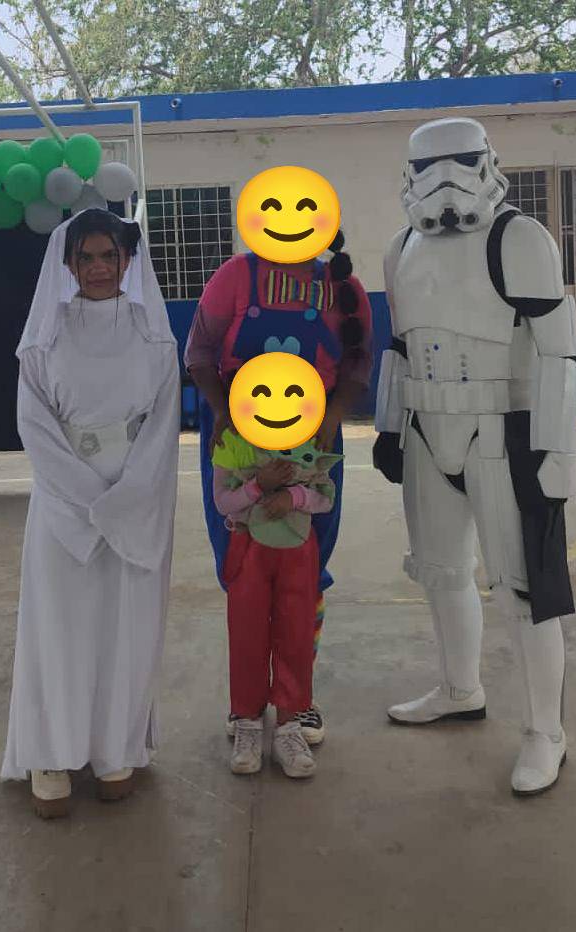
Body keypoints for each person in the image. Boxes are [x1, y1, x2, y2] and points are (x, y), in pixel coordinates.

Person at [373, 117, 576, 796]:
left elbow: (559, 354)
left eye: (461, 160)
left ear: (488, 162)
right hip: (426, 430)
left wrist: (555, 454)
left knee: (524, 590)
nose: (445, 178)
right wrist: (388, 427)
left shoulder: (519, 238)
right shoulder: (400, 248)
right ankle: (460, 689)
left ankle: (545, 732)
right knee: (441, 573)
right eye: (428, 165)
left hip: (501, 432)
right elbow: (399, 348)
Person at [1, 208, 180, 818]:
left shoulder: (155, 340)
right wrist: (84, 499)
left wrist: (127, 501)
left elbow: (161, 430)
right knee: (59, 624)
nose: (99, 267)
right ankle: (51, 754)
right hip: (63, 503)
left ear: (128, 260)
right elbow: (34, 426)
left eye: (110, 255)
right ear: (68, 264)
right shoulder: (44, 340)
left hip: (135, 500)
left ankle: (114, 748)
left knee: (125, 625)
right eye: (86, 257)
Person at [185, 230, 373, 745]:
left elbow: (358, 361)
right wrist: (223, 410)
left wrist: (332, 418)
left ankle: (297, 700)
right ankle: (246, 704)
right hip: (236, 437)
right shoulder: (234, 277)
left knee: (306, 567)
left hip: (312, 438)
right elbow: (198, 353)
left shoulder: (342, 286)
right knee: (241, 564)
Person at [212, 431, 342, 777]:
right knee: (247, 635)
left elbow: (326, 497)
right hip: (247, 550)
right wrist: (258, 486)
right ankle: (247, 721)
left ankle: (289, 724)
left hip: (297, 552)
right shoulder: (232, 442)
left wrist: (294, 496)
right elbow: (222, 502)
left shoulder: (309, 437)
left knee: (295, 634)